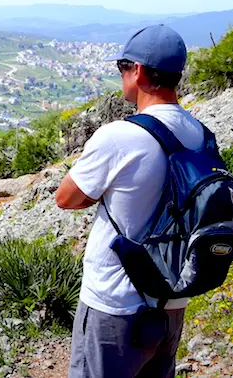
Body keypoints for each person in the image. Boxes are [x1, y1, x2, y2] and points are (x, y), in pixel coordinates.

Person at [56, 25, 202, 377]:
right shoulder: (198, 133)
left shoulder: (119, 136)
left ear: (137, 70)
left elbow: (66, 198)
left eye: (123, 65)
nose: (121, 74)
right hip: (171, 300)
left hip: (115, 303)